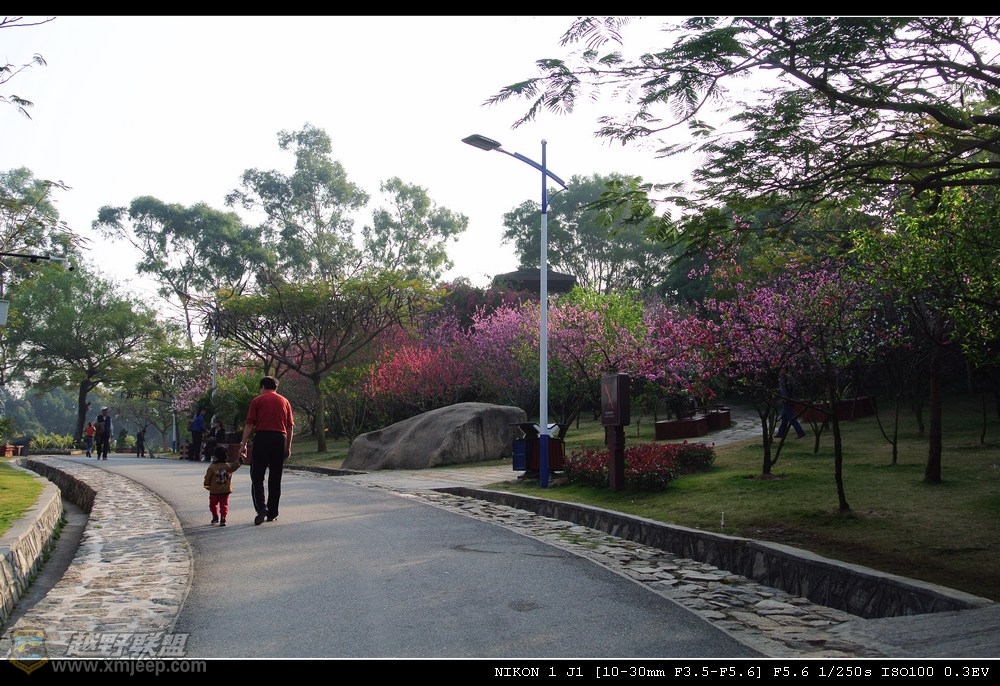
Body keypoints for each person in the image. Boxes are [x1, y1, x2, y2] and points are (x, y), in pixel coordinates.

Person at [239, 376, 294, 526]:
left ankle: (261, 508)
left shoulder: (257, 401)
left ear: (262, 387)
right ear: (276, 388)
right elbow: (290, 427)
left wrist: (243, 444)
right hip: (279, 439)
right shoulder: (285, 401)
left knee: (257, 476)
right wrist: (288, 447)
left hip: (262, 438)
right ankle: (273, 512)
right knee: (275, 477)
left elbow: (249, 424)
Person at [203, 445, 244, 527]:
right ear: (226, 455)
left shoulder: (212, 467)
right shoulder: (229, 466)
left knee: (212, 505)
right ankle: (223, 518)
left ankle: (215, 517)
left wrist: (206, 484)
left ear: (215, 456)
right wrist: (240, 459)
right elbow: (236, 465)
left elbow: (207, 478)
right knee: (224, 505)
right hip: (225, 491)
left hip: (214, 491)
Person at [776, 372, 806, 440]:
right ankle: (780, 433)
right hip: (791, 399)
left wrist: (785, 398)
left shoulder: (783, 378)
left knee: (791, 418)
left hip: (787, 400)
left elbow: (783, 389)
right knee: (784, 417)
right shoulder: (790, 377)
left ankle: (800, 432)